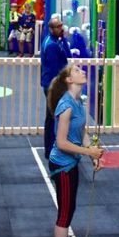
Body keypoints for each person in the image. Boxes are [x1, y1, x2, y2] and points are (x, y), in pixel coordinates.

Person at [47, 64, 105, 237]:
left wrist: (93, 156)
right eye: (77, 71)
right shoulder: (66, 107)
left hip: (72, 163)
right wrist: (89, 152)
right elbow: (61, 143)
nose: (83, 72)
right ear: (69, 80)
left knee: (69, 210)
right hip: (62, 165)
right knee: (64, 215)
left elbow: (82, 133)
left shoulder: (79, 102)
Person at [40, 14, 72, 158]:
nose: (61, 28)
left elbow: (67, 56)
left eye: (61, 25)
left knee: (54, 116)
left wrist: (64, 39)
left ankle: (53, 147)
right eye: (58, 26)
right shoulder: (52, 45)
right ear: (51, 29)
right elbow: (55, 69)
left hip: (54, 84)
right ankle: (51, 149)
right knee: (53, 117)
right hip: (53, 86)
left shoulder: (55, 41)